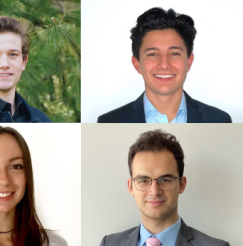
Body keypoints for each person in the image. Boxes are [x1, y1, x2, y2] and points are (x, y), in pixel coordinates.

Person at [97, 8, 231, 123]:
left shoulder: (219, 119)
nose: (164, 64)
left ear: (189, 61)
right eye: (153, 54)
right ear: (137, 64)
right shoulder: (109, 121)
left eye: (174, 53)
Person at [100, 130, 230, 246]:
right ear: (131, 187)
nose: (155, 191)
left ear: (182, 184)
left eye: (165, 180)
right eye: (144, 180)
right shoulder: (109, 243)